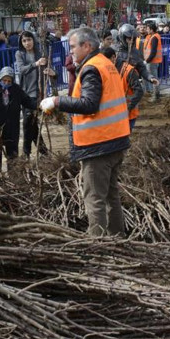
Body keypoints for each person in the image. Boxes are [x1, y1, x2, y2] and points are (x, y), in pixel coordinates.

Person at [39, 27, 131, 237]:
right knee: (110, 195)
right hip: (115, 140)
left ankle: (96, 243)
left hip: (99, 145)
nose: (70, 51)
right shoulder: (106, 64)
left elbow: (89, 104)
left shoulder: (91, 68)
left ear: (87, 46)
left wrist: (57, 101)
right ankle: (118, 237)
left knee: (95, 198)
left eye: (72, 47)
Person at [0, 66, 36, 171]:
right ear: (0, 78)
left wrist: (39, 105)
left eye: (9, 81)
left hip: (12, 127)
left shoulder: (16, 89)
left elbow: (27, 101)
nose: (6, 83)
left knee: (12, 154)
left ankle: (13, 176)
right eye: (4, 80)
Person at [16, 31, 55, 158]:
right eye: (24, 41)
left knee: (31, 122)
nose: (27, 43)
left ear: (33, 39)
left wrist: (52, 73)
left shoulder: (41, 53)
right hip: (26, 93)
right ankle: (34, 151)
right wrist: (35, 64)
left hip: (39, 93)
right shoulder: (20, 54)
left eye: (29, 40)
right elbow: (21, 70)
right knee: (29, 121)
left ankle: (37, 151)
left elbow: (52, 72)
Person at [143, 21, 163, 102]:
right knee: (155, 78)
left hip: (152, 62)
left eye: (147, 29)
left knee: (154, 79)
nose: (146, 30)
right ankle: (157, 95)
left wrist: (147, 61)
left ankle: (155, 96)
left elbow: (153, 52)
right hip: (152, 61)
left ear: (151, 29)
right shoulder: (153, 36)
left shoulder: (154, 37)